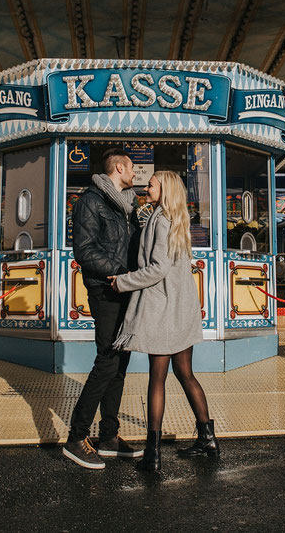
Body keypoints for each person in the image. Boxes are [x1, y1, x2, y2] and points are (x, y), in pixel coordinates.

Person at [110, 170, 219, 472]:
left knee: (156, 379)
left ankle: (152, 453)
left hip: (163, 311)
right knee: (186, 374)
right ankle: (208, 436)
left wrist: (122, 282)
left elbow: (157, 268)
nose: (147, 187)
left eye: (152, 184)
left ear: (165, 190)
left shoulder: (160, 220)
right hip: (181, 310)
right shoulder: (178, 220)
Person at [62, 148, 144, 470]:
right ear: (119, 167)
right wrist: (120, 273)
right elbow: (83, 250)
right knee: (107, 361)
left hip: (125, 289)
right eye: (132, 168)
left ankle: (108, 435)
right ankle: (76, 436)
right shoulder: (91, 201)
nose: (135, 173)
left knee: (120, 363)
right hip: (106, 290)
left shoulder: (128, 206)